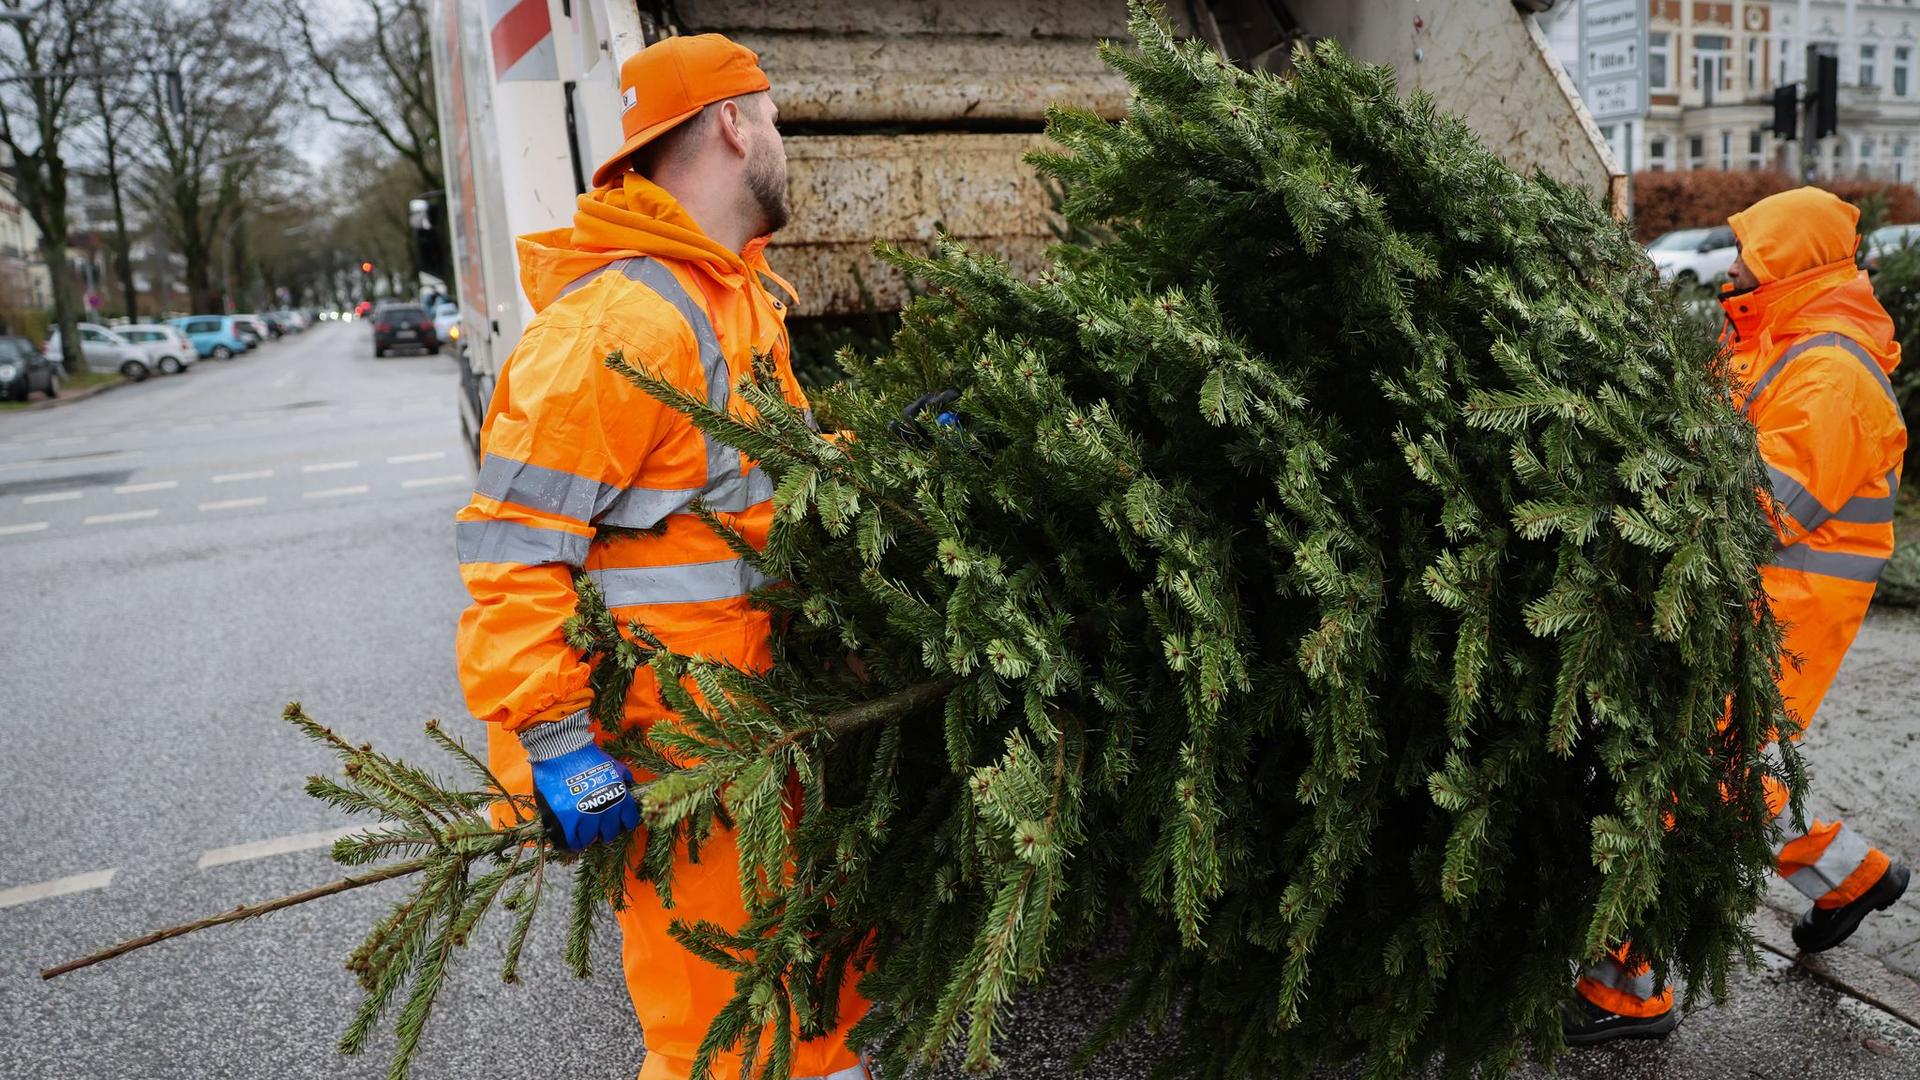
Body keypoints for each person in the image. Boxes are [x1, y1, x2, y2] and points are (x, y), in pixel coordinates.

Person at [453, 34, 869, 1080]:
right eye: (770, 117)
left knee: (815, 1028)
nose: (780, 139)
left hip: (766, 734)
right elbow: (513, 556)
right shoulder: (620, 327)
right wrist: (553, 740)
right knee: (724, 1046)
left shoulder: (734, 299)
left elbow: (743, 493)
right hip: (689, 764)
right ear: (730, 124)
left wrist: (886, 461)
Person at [1566, 187, 1910, 1046]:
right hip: (1746, 604)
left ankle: (1626, 987)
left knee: (1677, 778)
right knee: (1719, 774)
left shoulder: (1833, 376)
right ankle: (1850, 877)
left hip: (1782, 617)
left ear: (1794, 265)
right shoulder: (1780, 344)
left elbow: (1760, 508)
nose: (1736, 269)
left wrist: (1642, 491)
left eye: (1755, 255)